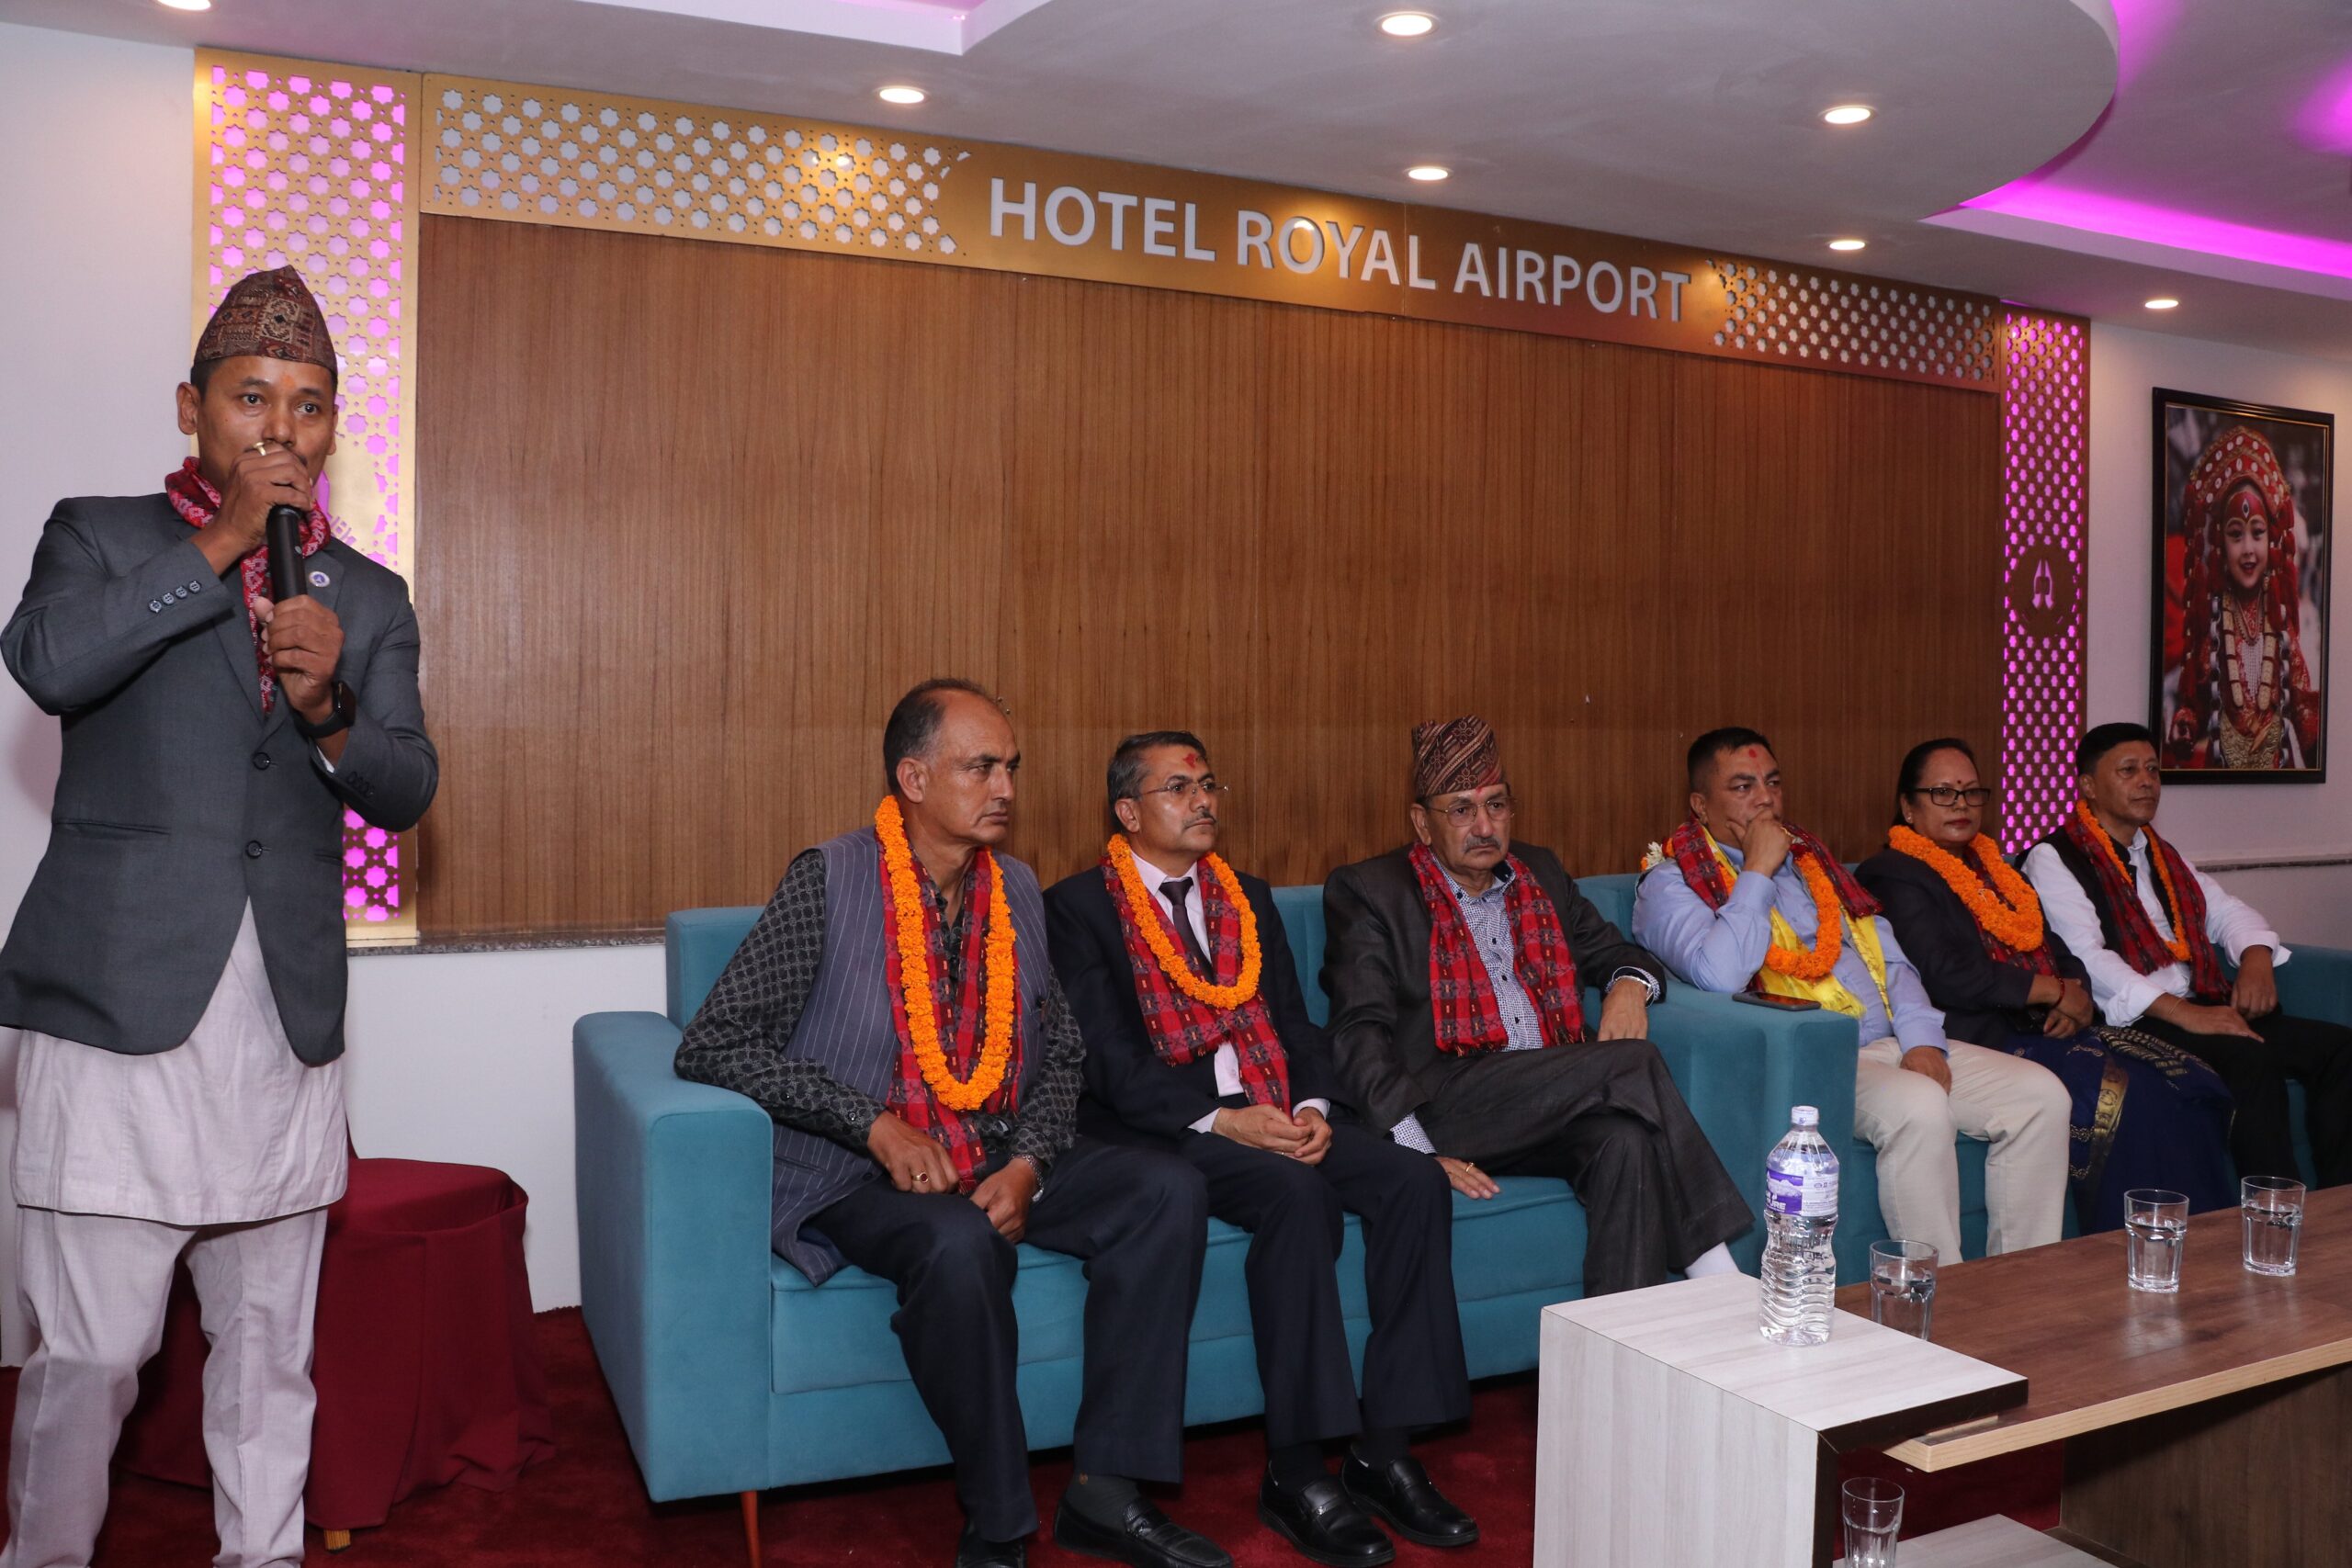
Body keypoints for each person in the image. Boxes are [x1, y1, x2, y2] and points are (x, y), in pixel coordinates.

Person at [0, 265, 438, 1568]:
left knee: (266, 1350)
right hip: (118, 1004)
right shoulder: (100, 536)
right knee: (93, 1350)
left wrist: (328, 712)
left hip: (278, 1021)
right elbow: (46, 662)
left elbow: (406, 787)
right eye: (252, 398)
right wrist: (220, 545)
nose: (280, 428)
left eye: (308, 404)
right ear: (192, 408)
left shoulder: (368, 594)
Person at [674, 681, 1225, 1568]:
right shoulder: (829, 877)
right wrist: (870, 1123)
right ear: (914, 777)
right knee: (961, 1243)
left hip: (998, 1148)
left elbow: (1064, 1053)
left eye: (1011, 767)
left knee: (1167, 1188)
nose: (1005, 787)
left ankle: (1107, 1491)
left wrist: (1032, 1163)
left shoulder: (1017, 888)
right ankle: (1000, 1521)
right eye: (981, 767)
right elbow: (716, 1041)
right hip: (859, 1170)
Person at [1047, 732, 1475, 1567]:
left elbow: (1295, 1023)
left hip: (1275, 1107)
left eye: (1209, 784)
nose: (1203, 800)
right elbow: (1109, 1062)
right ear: (1128, 811)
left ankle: (1383, 1449)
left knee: (1411, 1181)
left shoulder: (1244, 895)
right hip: (1165, 1128)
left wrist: (1312, 1106)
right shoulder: (1079, 908)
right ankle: (1296, 1471)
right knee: (1296, 1193)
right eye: (1179, 788)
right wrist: (1224, 1121)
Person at [1321, 717, 1750, 1298]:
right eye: (1461, 810)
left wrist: (1628, 987)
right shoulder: (1372, 890)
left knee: (1626, 1141)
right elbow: (1358, 1032)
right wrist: (1417, 1152)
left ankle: (1623, 1336)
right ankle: (1719, 1278)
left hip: (1548, 1098)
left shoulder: (1538, 871)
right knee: (1633, 1061)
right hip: (1448, 1101)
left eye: (1496, 805)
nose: (1484, 827)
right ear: (1422, 822)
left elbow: (1620, 955)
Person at [1634, 728, 2068, 1266]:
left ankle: (2027, 1280)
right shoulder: (1670, 884)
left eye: (1773, 782)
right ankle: (1939, 1291)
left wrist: (1922, 1040)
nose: (1765, 799)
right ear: (1701, 805)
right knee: (1921, 1105)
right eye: (1743, 787)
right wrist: (1758, 871)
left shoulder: (1815, 865)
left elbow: (1893, 962)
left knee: (2042, 1097)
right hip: (1818, 1059)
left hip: (1894, 1042)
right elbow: (1719, 975)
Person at [1856, 739, 2234, 1230]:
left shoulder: (1996, 868)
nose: (1961, 805)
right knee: (2129, 1096)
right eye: (1943, 793)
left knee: (2181, 1080)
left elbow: (2055, 944)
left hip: (2047, 1027)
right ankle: (2129, 1241)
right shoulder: (1892, 873)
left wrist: (2075, 994)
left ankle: (2202, 1236)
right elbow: (1944, 972)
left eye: (1971, 793)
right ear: (1909, 806)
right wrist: (2050, 991)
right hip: (1980, 1035)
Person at [2023, 722, 2351, 1188]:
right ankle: (2273, 1209)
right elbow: (2088, 958)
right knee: (2250, 1059)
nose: (2146, 782)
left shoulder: (2159, 853)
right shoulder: (2053, 858)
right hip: (2136, 1019)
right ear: (2089, 786)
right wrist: (2185, 1014)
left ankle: (2340, 1201)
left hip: (2202, 1001)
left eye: (2153, 770)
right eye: (2129, 771)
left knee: (2340, 1049)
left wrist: (2256, 957)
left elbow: (2226, 911)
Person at [2163, 427, 2321, 772]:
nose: (2248, 548)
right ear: (2220, 543)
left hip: (2278, 778)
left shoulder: (2280, 621)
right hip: (2222, 777)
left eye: (2257, 533)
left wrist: (2322, 758)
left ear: (2272, 539)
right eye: (2236, 535)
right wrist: (2186, 723)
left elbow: (2302, 703)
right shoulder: (2215, 620)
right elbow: (2198, 701)